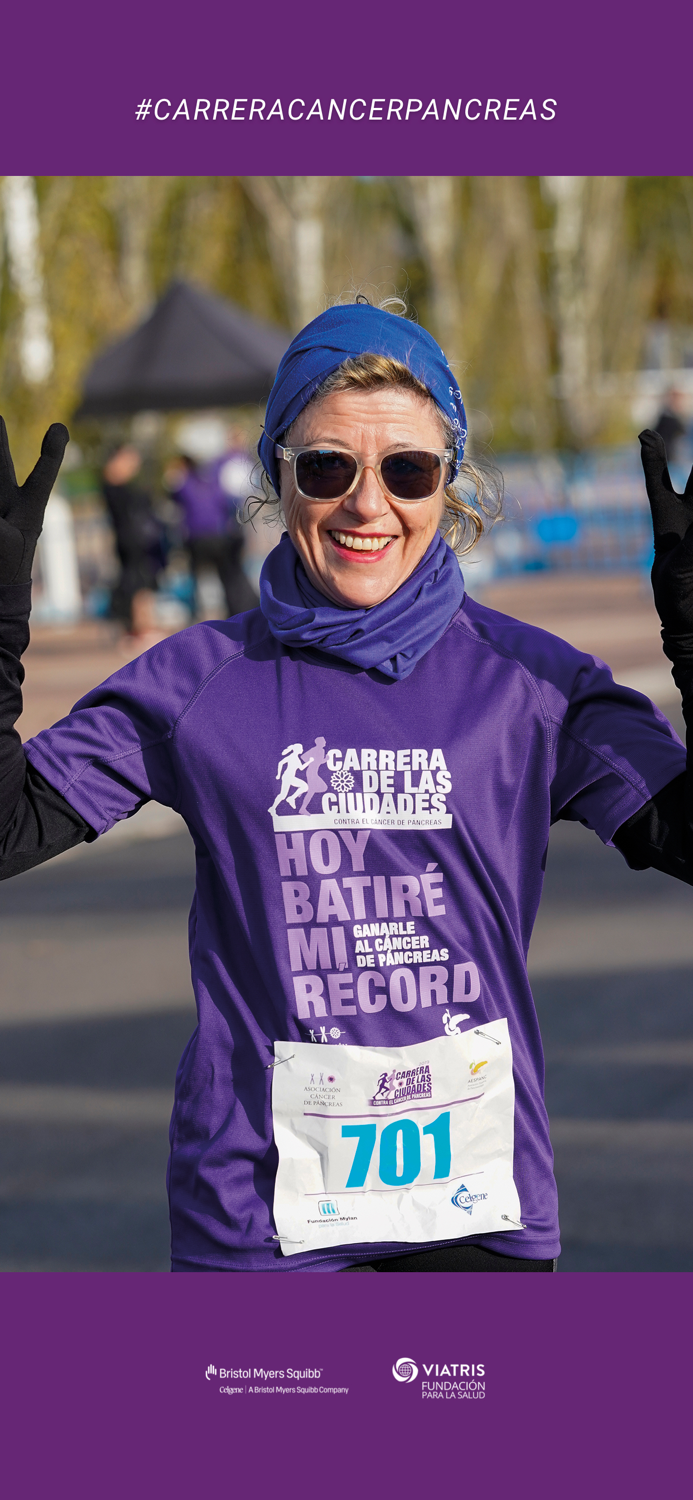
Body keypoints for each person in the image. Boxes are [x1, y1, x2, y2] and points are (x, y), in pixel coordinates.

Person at [1, 301, 692, 1276]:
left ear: (450, 489)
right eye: (328, 467)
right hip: (257, 1222)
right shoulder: (195, 682)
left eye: (407, 470)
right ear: (279, 482)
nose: (369, 504)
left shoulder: (532, 684)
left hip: (475, 1218)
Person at [165, 441, 256, 618]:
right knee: (227, 577)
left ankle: (195, 613)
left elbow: (174, 498)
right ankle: (235, 612)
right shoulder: (215, 481)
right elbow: (228, 505)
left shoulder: (184, 483)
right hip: (218, 536)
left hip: (197, 538)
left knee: (195, 578)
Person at [101, 444, 166, 637]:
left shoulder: (124, 486)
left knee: (143, 582)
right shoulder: (114, 485)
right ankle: (138, 626)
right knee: (136, 582)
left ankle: (143, 623)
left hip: (136, 540)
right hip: (130, 540)